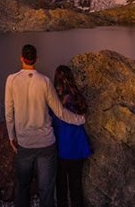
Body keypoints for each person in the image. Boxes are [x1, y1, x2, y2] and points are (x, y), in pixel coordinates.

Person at [5, 44, 86, 207]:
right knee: (46, 188)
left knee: (23, 186)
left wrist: (11, 137)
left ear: (21, 58)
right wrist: (80, 119)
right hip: (46, 143)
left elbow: (9, 113)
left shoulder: (11, 80)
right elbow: (59, 112)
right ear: (36, 59)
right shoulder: (45, 81)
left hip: (25, 143)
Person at [52, 65, 91, 207]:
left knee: (61, 183)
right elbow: (82, 116)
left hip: (61, 146)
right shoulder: (77, 97)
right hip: (77, 146)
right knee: (76, 184)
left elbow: (52, 119)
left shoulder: (55, 100)